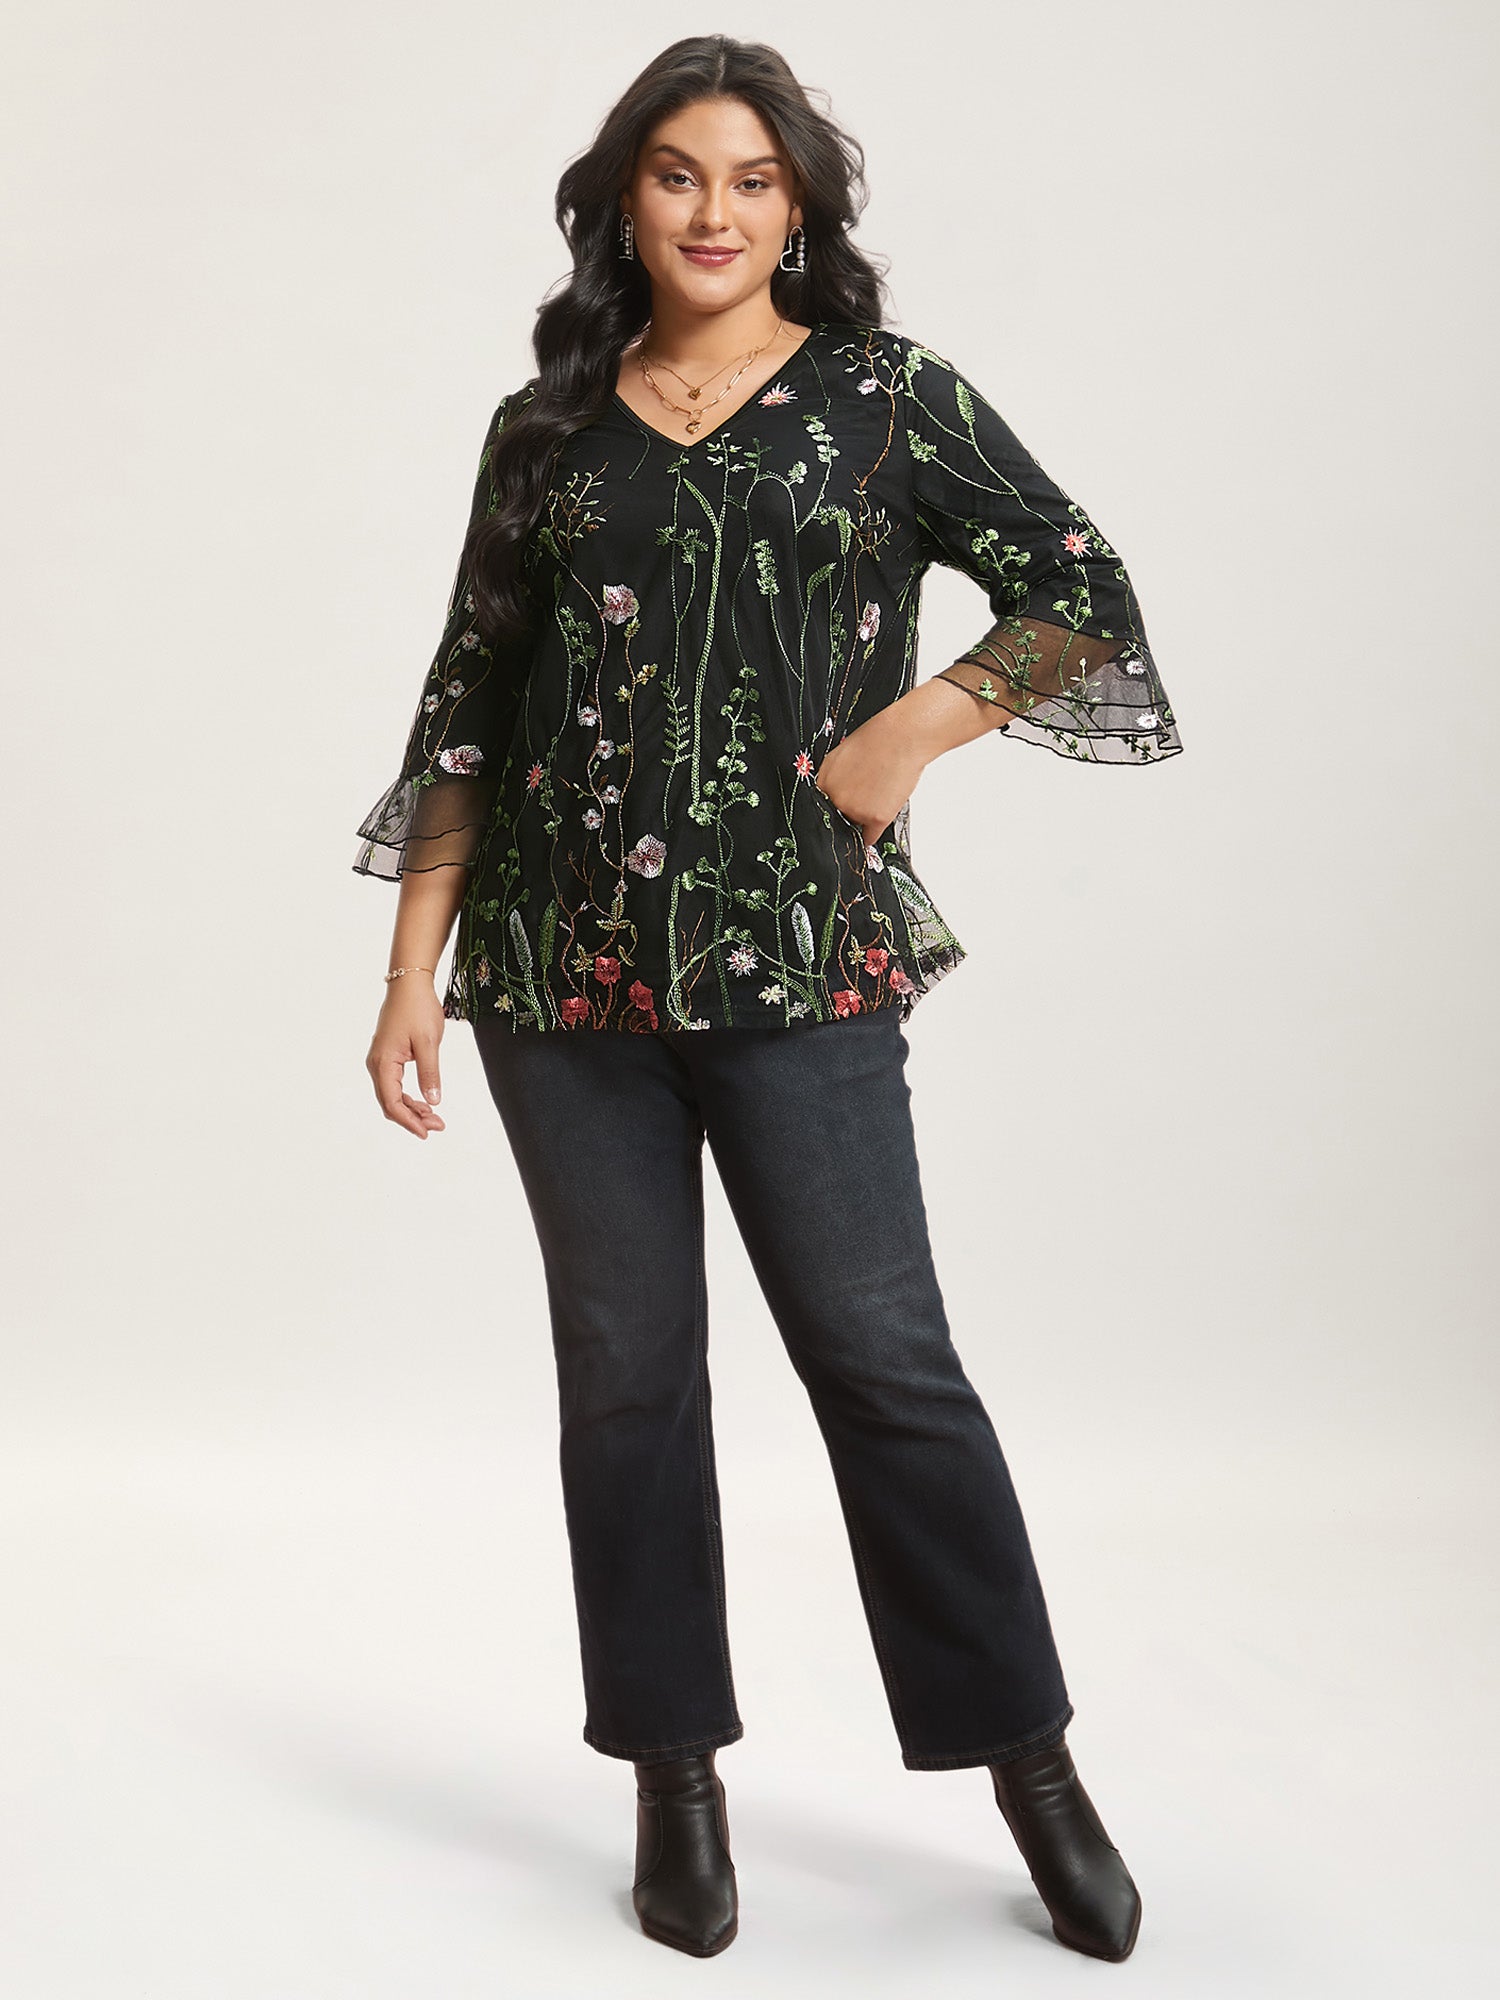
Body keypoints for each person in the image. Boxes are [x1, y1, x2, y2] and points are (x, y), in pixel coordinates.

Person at [353, 34, 1181, 1965]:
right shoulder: (546, 427)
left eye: (751, 179)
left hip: (801, 962)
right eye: (677, 175)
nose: (713, 212)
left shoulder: (888, 400)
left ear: (798, 203)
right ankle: (675, 1777)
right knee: (627, 1381)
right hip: (556, 977)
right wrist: (408, 972)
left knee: (885, 1364)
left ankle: (1032, 1767)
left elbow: (1081, 591)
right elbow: (470, 697)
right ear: (623, 200)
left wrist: (922, 723)